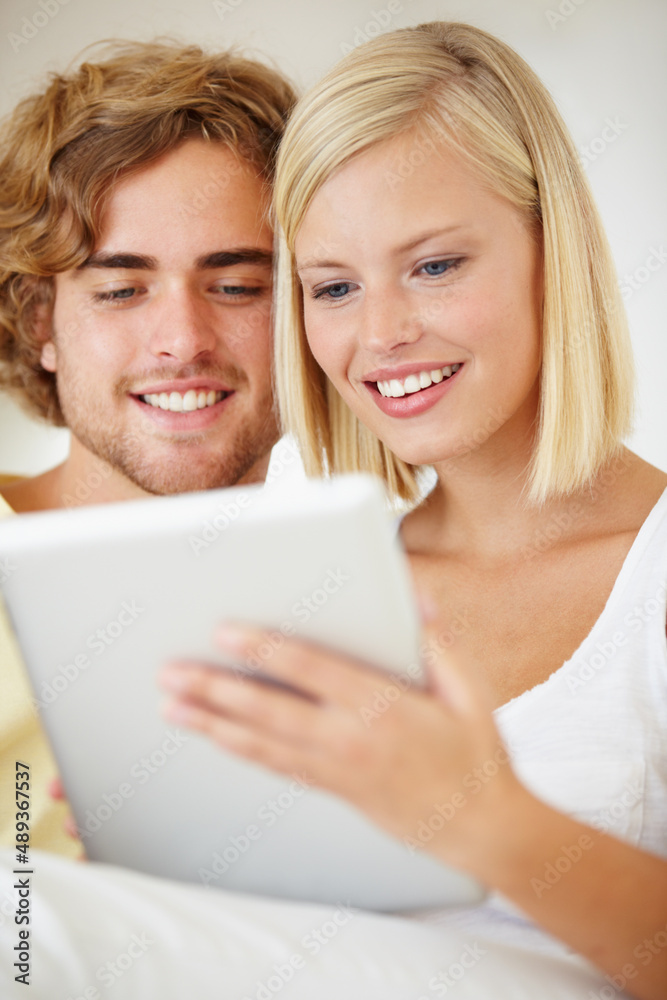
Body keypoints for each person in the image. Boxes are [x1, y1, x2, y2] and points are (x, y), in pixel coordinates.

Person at [158, 20, 667, 1000]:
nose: (380, 335)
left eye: (434, 265)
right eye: (334, 286)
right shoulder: (320, 599)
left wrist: (483, 820)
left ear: (546, 250)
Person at [0, 39, 296, 855]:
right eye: (122, 289)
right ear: (39, 322)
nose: (182, 341)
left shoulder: (365, 600)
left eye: (237, 285)